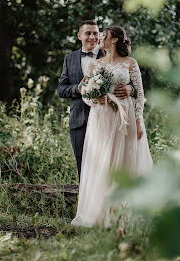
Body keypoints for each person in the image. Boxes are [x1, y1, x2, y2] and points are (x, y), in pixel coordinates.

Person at [71, 25, 153, 227]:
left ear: (114, 39)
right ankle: (101, 213)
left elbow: (140, 94)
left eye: (103, 36)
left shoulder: (130, 63)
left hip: (125, 118)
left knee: (124, 163)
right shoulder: (95, 65)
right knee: (103, 163)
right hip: (101, 119)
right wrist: (95, 100)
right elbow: (86, 94)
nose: (99, 38)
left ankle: (123, 212)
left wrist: (138, 120)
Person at [57, 21, 135, 180]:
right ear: (79, 36)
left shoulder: (110, 54)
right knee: (82, 165)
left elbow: (132, 80)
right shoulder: (69, 59)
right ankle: (86, 203)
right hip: (79, 120)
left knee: (108, 165)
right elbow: (61, 89)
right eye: (88, 33)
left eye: (96, 33)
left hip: (107, 119)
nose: (92, 37)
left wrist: (130, 89)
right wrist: (79, 89)